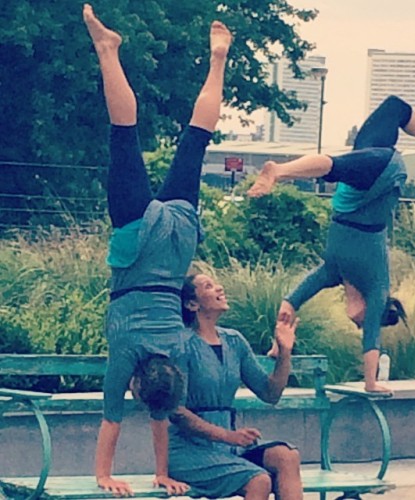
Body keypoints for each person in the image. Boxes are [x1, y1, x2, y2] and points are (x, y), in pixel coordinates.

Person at [248, 95, 415, 394]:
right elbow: (372, 340)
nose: (357, 324)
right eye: (362, 323)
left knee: (395, 108)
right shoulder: (377, 286)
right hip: (382, 174)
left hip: (359, 186)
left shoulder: (332, 272)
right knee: (332, 165)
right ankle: (279, 171)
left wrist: (278, 343)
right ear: (371, 310)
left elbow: (290, 301)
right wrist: (370, 382)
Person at [83, 4, 232, 496]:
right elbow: (116, 421)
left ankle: (218, 60)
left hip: (178, 246)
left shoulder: (177, 349)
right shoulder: (127, 353)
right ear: (139, 385)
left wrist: (164, 472)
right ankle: (108, 51)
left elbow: (163, 417)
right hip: (139, 241)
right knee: (123, 138)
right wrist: (105, 476)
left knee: (196, 141)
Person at [166, 273, 302, 500]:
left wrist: (284, 352)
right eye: (209, 286)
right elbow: (176, 412)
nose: (219, 288)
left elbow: (270, 393)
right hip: (189, 450)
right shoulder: (181, 345)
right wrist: (227, 436)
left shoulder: (235, 341)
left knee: (287, 456)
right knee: (259, 480)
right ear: (192, 304)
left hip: (230, 449)